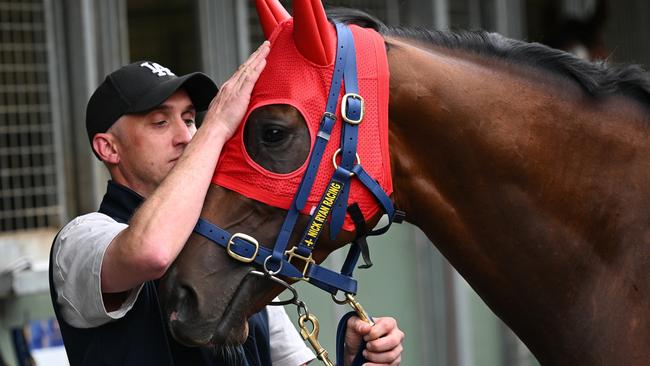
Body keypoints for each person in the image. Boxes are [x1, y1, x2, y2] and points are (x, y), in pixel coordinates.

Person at [49, 41, 404, 366]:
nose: (187, 136)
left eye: (190, 120)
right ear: (108, 148)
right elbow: (151, 252)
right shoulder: (81, 240)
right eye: (160, 122)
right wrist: (216, 128)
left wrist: (353, 360)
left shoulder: (234, 241)